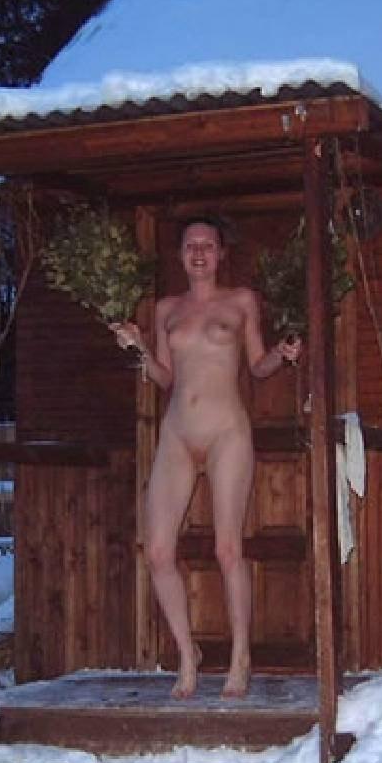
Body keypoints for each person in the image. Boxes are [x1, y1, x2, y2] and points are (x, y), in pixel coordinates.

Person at [111, 218, 302, 699]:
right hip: (177, 432)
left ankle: (240, 657)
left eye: (208, 245)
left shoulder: (241, 301)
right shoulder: (166, 309)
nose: (199, 252)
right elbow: (164, 377)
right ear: (180, 254)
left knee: (228, 549)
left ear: (220, 253)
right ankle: (187, 655)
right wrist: (138, 348)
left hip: (226, 433)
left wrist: (282, 353)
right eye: (190, 245)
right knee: (158, 552)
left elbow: (258, 366)